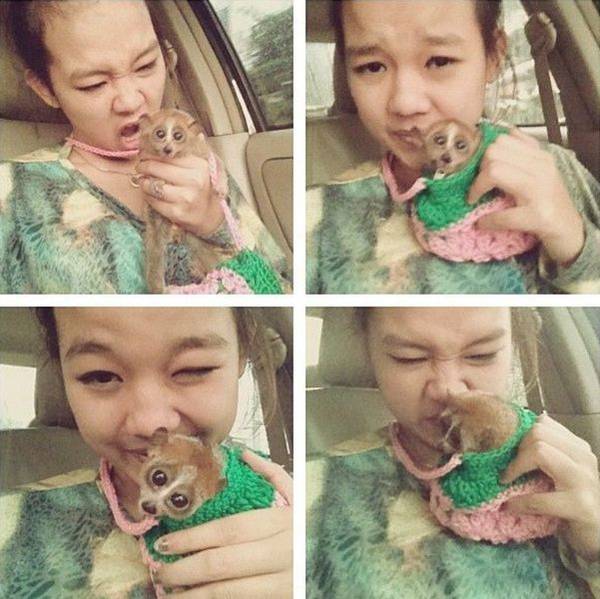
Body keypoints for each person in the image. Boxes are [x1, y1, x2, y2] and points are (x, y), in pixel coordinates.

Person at [306, 0, 600, 293]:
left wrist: (575, 244)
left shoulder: (552, 173)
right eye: (372, 67)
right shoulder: (321, 215)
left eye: (439, 61)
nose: (405, 103)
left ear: (493, 56)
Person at [307, 307, 600, 597]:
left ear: (512, 346)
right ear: (369, 354)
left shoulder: (560, 472)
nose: (450, 390)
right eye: (410, 358)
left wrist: (593, 546)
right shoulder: (316, 495)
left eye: (481, 355)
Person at [0, 307, 293, 598]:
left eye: (193, 369)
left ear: (242, 354)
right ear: (62, 376)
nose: (150, 423)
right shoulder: (28, 520)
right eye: (101, 376)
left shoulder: (280, 506)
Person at [0, 0, 290, 293]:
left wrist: (214, 222)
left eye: (146, 65)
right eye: (94, 84)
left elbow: (280, 291)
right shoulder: (15, 197)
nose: (131, 101)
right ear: (45, 89)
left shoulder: (200, 165)